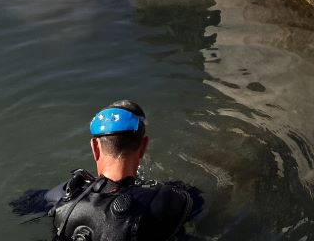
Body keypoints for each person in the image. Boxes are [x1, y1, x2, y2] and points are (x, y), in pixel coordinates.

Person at [46, 100, 202, 241]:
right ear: (143, 146)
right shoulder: (165, 199)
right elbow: (197, 203)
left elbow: (24, 206)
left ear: (95, 148)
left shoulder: (64, 195)